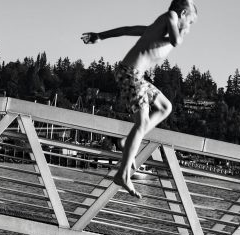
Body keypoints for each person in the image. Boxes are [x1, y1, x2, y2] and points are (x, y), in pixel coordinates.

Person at [81, 0, 197, 198]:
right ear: (183, 12)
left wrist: (100, 36)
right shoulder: (171, 17)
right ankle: (123, 174)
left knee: (165, 107)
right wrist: (183, 31)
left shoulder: (158, 28)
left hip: (136, 76)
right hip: (130, 74)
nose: (190, 27)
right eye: (191, 22)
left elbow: (128, 29)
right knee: (142, 122)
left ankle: (128, 140)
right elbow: (177, 41)